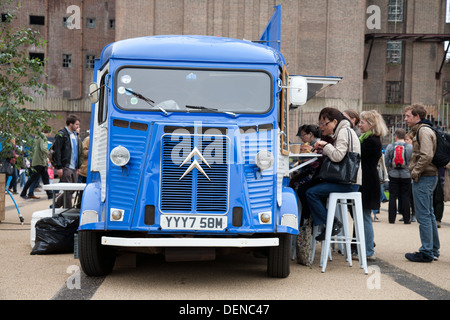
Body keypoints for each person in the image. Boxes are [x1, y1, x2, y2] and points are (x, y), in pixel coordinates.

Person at [305, 107, 361, 241]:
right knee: (312, 188)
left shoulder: (343, 132)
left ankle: (331, 223)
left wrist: (325, 145)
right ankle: (327, 223)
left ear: (335, 122)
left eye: (324, 123)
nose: (322, 127)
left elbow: (337, 156)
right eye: (320, 124)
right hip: (347, 180)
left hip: (349, 182)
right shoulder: (345, 131)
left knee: (310, 192)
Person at [404, 104, 439, 263]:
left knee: (423, 215)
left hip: (424, 176)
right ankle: (433, 249)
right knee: (429, 214)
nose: (406, 119)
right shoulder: (424, 130)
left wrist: (415, 172)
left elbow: (426, 155)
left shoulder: (423, 131)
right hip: (429, 175)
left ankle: (426, 252)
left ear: (417, 116)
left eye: (408, 116)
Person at [358, 110, 388, 261]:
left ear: (371, 124)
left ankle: (368, 250)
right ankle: (365, 248)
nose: (359, 124)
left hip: (368, 182)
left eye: (362, 122)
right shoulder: (368, 138)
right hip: (369, 180)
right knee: (364, 216)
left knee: (365, 216)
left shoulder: (371, 141)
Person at [52, 114, 83, 209]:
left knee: (72, 189)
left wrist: (78, 166)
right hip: (65, 166)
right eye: (76, 124)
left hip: (74, 167)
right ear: (70, 124)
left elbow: (77, 152)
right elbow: (57, 151)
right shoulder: (62, 134)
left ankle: (56, 205)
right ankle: (68, 210)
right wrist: (59, 167)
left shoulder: (74, 135)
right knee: (68, 189)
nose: (78, 126)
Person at [384, 128, 412, 224]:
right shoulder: (409, 147)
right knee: (405, 196)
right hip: (406, 174)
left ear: (395, 136)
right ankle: (406, 218)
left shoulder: (390, 147)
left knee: (392, 196)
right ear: (404, 136)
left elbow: (385, 160)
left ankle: (391, 219)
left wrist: (389, 169)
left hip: (393, 174)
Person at [20, 130, 54, 200]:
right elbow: (43, 149)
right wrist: (49, 153)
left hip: (38, 161)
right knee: (36, 178)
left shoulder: (36, 138)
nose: (50, 134)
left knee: (44, 178)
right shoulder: (43, 137)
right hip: (40, 162)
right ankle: (23, 193)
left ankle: (50, 195)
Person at [404, 133, 416, 222]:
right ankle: (407, 213)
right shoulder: (404, 149)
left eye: (408, 139)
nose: (406, 141)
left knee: (413, 197)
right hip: (406, 174)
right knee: (407, 196)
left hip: (412, 175)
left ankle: (414, 214)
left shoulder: (414, 149)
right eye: (405, 139)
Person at [75, 135, 89, 209]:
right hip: (85, 171)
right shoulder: (88, 139)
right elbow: (82, 152)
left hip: (92, 171)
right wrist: (93, 151)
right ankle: (79, 206)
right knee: (83, 190)